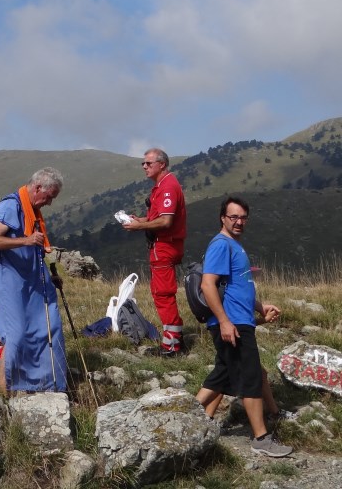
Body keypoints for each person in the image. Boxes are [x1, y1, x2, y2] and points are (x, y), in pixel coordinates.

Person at [194, 196, 293, 458]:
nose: (238, 222)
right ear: (222, 218)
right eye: (233, 217)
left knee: (224, 375)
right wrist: (225, 322)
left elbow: (239, 288)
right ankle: (261, 438)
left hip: (239, 320)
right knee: (249, 377)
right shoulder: (221, 245)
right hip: (232, 322)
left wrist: (260, 308)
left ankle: (189, 418)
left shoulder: (235, 245)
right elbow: (207, 285)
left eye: (243, 217)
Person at [0, 167, 67, 393]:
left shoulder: (33, 211)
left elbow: (38, 246)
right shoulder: (10, 206)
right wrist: (26, 241)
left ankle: (48, 386)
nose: (49, 203)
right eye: (49, 197)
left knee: (49, 328)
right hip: (8, 279)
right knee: (16, 334)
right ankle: (6, 389)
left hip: (32, 278)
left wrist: (52, 275)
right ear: (38, 187)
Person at [123, 148, 186, 356]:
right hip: (163, 244)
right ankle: (173, 339)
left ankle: (172, 345)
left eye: (148, 163)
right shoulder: (161, 186)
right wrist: (141, 220)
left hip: (164, 245)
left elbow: (166, 221)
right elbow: (158, 216)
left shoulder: (167, 186)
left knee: (163, 294)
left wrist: (138, 227)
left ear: (162, 164)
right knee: (162, 292)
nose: (144, 166)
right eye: (143, 163)